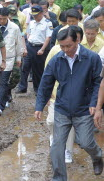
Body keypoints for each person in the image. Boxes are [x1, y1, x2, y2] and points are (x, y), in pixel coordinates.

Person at [35, 27, 103, 180]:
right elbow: (45, 84)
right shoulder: (56, 60)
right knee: (57, 145)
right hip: (62, 109)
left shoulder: (92, 58)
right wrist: (39, 105)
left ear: (77, 40)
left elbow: (98, 83)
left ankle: (97, 156)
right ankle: (59, 177)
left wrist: (94, 103)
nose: (65, 50)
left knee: (85, 142)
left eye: (68, 46)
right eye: (62, 46)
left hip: (84, 109)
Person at [45, 25, 83, 164]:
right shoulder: (55, 51)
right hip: (56, 93)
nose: (66, 50)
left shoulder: (82, 54)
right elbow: (47, 73)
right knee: (51, 121)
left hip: (73, 97)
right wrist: (47, 94)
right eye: (63, 46)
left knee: (69, 124)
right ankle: (54, 137)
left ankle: (67, 151)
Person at [0, 7, 23, 115]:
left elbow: (18, 43)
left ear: (8, 17)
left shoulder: (14, 28)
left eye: (4, 19)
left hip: (9, 59)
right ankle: (0, 98)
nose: (2, 21)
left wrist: (18, 58)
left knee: (3, 82)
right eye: (0, 18)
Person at [18, 5, 53, 94]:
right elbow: (28, 33)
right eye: (33, 15)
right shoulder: (32, 22)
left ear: (41, 13)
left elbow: (48, 37)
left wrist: (42, 49)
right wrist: (26, 44)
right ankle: (22, 87)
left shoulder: (47, 23)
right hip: (30, 46)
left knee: (37, 70)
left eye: (36, 15)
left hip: (39, 48)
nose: (34, 16)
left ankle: (37, 89)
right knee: (25, 67)